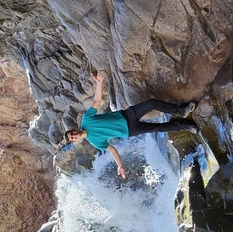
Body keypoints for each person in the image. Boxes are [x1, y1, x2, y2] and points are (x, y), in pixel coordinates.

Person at [64, 72, 197, 179]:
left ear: (74, 130)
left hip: (127, 115)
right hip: (130, 130)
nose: (74, 135)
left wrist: (99, 83)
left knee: (151, 103)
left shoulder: (87, 119)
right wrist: (120, 166)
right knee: (158, 128)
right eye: (73, 138)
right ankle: (187, 126)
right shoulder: (94, 141)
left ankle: (182, 111)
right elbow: (112, 150)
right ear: (76, 141)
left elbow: (97, 100)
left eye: (72, 133)